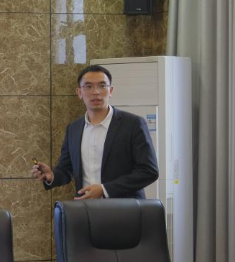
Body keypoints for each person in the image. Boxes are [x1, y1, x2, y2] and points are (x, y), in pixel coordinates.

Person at [31, 64, 159, 199]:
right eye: (88, 87)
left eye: (102, 86)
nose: (96, 92)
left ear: (110, 90)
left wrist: (105, 189)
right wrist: (52, 176)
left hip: (124, 208)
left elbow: (149, 171)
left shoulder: (133, 124)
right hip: (85, 206)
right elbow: (66, 169)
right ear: (79, 92)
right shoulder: (73, 129)